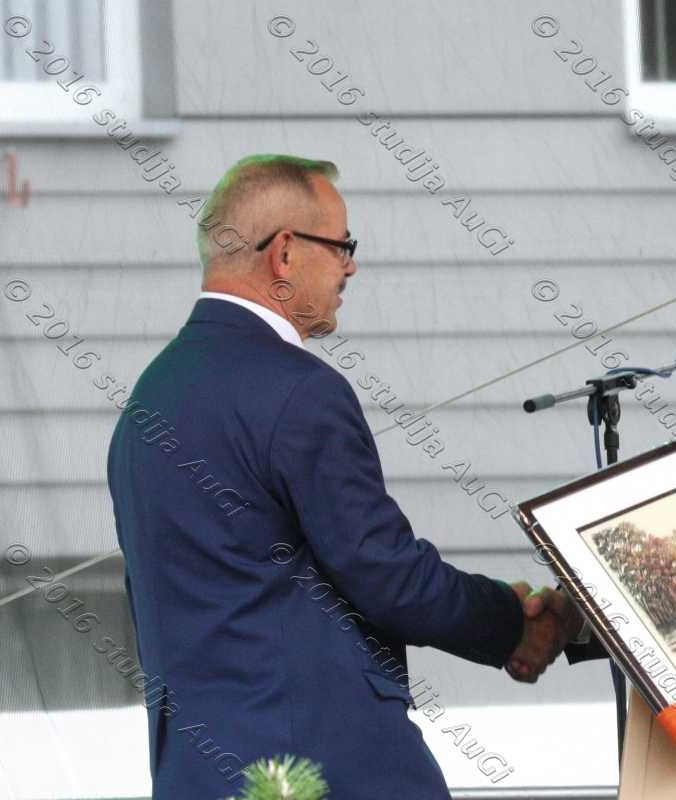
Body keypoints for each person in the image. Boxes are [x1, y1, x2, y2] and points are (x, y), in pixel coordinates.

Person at [106, 154, 569, 800]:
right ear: (284, 253)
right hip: (317, 770)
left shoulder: (147, 401)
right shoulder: (300, 391)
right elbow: (388, 577)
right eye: (342, 246)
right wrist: (516, 623)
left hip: (198, 774)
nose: (350, 267)